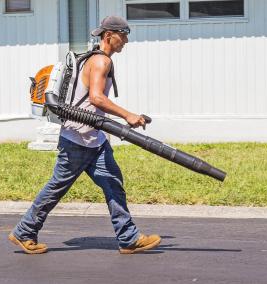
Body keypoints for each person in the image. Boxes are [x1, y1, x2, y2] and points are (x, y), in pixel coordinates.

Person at [9, 15, 161, 254]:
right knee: (56, 188)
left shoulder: (92, 58)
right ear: (108, 35)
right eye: (124, 35)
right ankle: (24, 231)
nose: (126, 41)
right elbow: (96, 98)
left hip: (94, 139)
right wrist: (128, 115)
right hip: (78, 140)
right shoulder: (101, 61)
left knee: (113, 183)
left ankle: (128, 237)